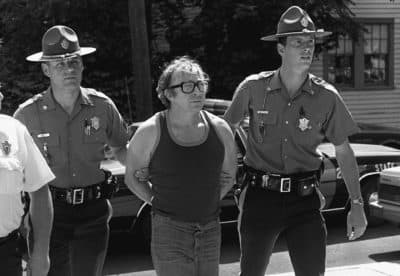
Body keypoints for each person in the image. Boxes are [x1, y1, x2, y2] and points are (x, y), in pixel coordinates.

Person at [224, 6, 368, 276]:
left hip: (305, 202)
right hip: (260, 198)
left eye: (310, 42)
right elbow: (224, 133)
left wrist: (357, 204)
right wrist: (230, 183)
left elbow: (344, 151)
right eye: (298, 42)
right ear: (280, 49)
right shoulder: (253, 88)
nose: (307, 48)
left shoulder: (327, 96)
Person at [14, 25, 128, 276]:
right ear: (46, 69)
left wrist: (147, 173)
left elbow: (123, 149)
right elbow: (14, 171)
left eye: (74, 62)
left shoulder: (102, 107)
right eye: (59, 64)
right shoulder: (27, 115)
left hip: (93, 213)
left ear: (83, 65)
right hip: (48, 215)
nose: (69, 70)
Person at [125, 56, 237, 276]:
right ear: (169, 94)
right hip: (169, 231)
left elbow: (229, 174)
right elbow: (132, 178)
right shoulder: (150, 130)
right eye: (187, 86)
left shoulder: (220, 129)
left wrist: (207, 200)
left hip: (210, 228)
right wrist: (158, 201)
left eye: (200, 84)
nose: (197, 91)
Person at [0, 92, 55, 276]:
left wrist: (40, 253)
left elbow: (39, 189)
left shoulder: (13, 129)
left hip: (6, 256)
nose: (1, 95)